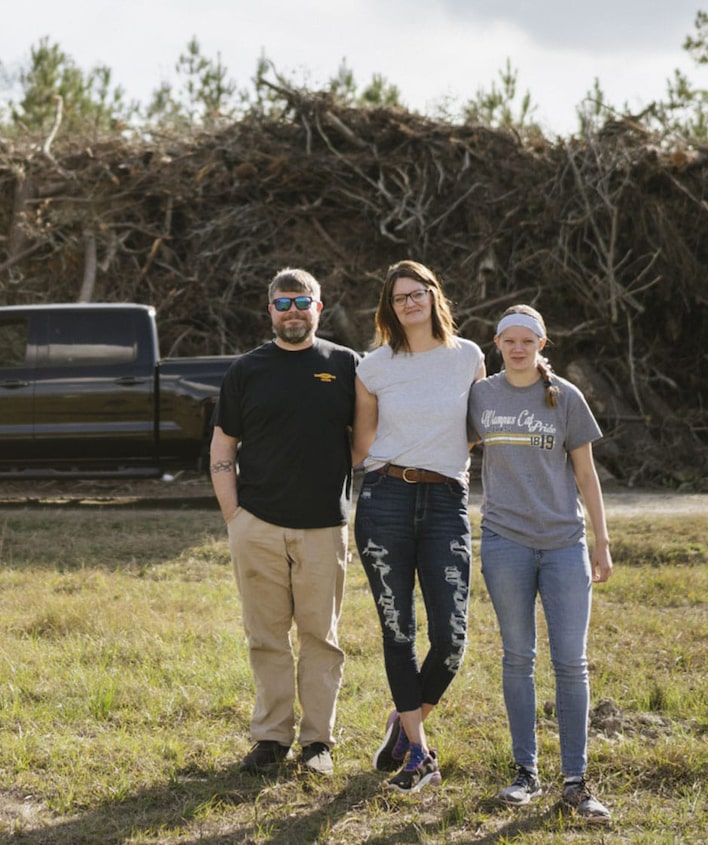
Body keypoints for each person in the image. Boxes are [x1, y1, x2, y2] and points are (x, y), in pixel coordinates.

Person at [210, 267, 361, 777]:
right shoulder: (246, 370)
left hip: (323, 526)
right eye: (283, 303)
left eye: (303, 302)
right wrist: (236, 517)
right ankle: (272, 738)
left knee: (322, 637)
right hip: (259, 526)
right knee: (266, 635)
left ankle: (318, 741)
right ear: (269, 310)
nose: (293, 311)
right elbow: (223, 447)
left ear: (319, 307)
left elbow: (363, 441)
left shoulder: (345, 364)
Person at [467, 303, 614, 824]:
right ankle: (524, 775)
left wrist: (601, 540)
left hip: (563, 544)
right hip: (504, 543)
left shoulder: (566, 398)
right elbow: (452, 450)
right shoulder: (480, 396)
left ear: (541, 345)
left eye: (527, 340)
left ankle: (575, 782)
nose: (518, 348)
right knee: (517, 657)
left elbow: (587, 475)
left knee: (571, 663)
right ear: (497, 344)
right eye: (509, 340)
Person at [351, 259, 486, 793]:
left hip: (447, 500)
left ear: (434, 295)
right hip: (385, 498)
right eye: (399, 297)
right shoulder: (374, 365)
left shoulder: (468, 356)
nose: (410, 303)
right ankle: (421, 754)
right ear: (390, 306)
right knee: (397, 629)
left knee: (452, 638)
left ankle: (404, 722)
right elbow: (362, 444)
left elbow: (476, 429)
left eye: (418, 293)